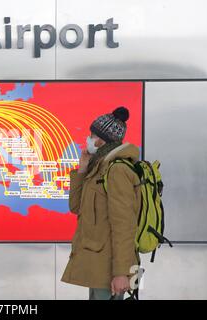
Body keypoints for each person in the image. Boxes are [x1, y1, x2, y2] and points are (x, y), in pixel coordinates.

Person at [60, 106, 141, 300]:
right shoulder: (99, 168)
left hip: (111, 272)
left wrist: (122, 273)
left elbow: (124, 225)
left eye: (91, 134)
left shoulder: (117, 171)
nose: (88, 139)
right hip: (98, 267)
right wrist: (82, 170)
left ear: (101, 140)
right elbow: (76, 207)